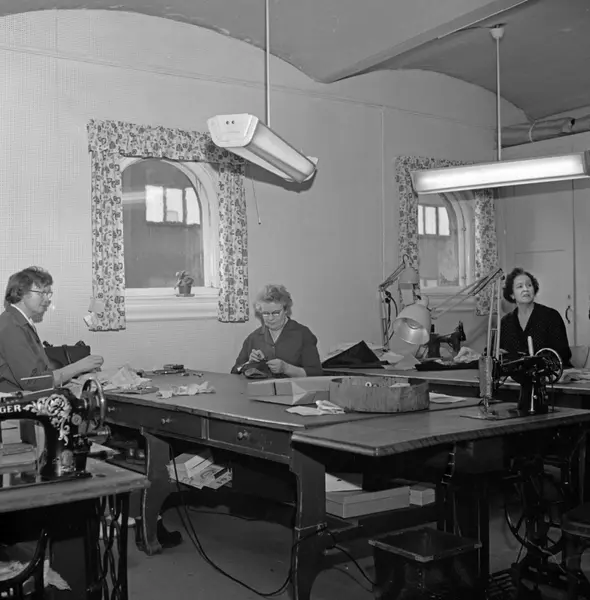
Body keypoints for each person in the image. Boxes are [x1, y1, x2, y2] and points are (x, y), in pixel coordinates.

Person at [0, 266, 104, 392]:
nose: (47, 299)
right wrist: (78, 367)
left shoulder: (18, 321)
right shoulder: (12, 327)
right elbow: (32, 382)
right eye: (41, 293)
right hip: (15, 399)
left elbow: (38, 371)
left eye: (48, 294)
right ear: (21, 293)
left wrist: (68, 379)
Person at [232, 284, 323, 377]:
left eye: (276, 313)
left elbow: (316, 374)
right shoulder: (253, 338)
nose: (270, 318)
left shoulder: (303, 334)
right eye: (266, 313)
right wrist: (249, 363)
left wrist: (286, 368)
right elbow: (235, 371)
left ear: (286, 310)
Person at [500, 267, 572, 368]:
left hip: (552, 373)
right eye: (520, 286)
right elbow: (497, 353)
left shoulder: (551, 316)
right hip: (518, 375)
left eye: (529, 285)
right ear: (512, 294)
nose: (525, 289)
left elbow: (563, 353)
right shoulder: (505, 322)